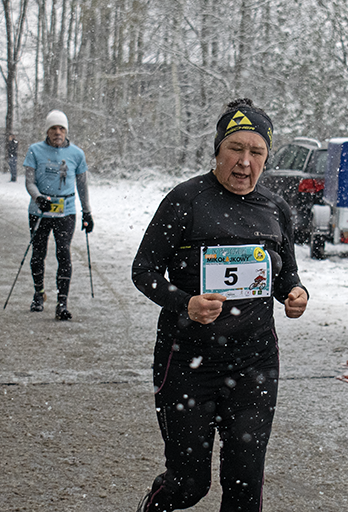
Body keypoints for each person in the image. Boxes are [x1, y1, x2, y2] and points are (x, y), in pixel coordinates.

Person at [132, 98, 309, 512]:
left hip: (254, 362)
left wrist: (295, 295)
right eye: (236, 149)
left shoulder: (275, 209)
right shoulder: (186, 200)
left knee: (245, 487)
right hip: (188, 361)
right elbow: (144, 270)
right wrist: (184, 302)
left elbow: (285, 276)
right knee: (188, 484)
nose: (245, 162)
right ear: (217, 151)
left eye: (257, 152)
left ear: (266, 157)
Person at [24, 110, 94, 320]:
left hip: (66, 211)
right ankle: (39, 294)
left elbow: (82, 185)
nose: (57, 132)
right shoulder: (35, 150)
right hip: (40, 210)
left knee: (63, 253)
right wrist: (38, 198)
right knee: (38, 254)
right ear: (47, 130)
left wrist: (87, 212)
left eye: (61, 128)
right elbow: (29, 181)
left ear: (66, 131)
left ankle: (62, 303)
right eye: (53, 128)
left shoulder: (76, 154)